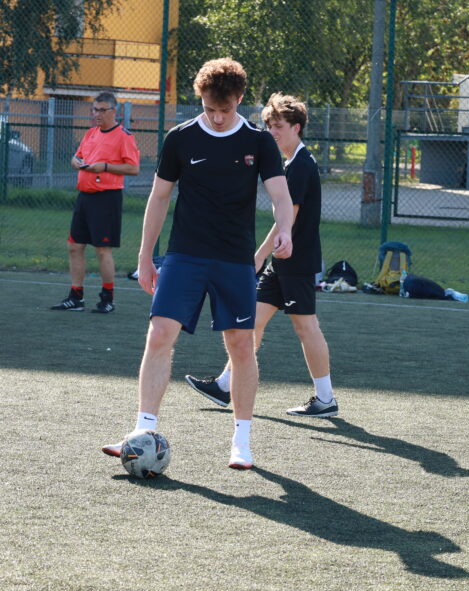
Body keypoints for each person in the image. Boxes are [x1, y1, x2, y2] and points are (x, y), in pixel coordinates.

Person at [102, 58, 295, 470]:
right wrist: (145, 256)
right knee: (159, 335)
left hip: (234, 259)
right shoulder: (181, 138)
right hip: (184, 255)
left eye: (225, 109)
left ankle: (242, 441)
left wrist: (285, 230)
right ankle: (141, 432)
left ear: (239, 99)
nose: (217, 117)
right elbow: (159, 197)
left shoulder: (259, 142)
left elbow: (281, 196)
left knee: (241, 344)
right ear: (200, 100)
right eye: (209, 109)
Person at [184, 93, 337, 418]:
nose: (272, 132)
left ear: (296, 127)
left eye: (278, 126)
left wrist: (258, 256)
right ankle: (225, 384)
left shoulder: (300, 165)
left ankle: (325, 399)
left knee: (306, 327)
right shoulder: (290, 164)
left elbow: (287, 219)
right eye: (269, 126)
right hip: (281, 263)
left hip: (297, 261)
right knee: (250, 321)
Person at [52, 92, 140, 314]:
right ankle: (76, 297)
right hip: (85, 196)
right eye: (94, 110)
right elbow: (77, 156)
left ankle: (107, 299)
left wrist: (105, 167)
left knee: (102, 250)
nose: (97, 114)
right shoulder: (90, 133)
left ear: (114, 111)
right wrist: (76, 162)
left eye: (102, 110)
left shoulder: (124, 136)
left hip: (107, 198)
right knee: (74, 246)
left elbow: (133, 168)